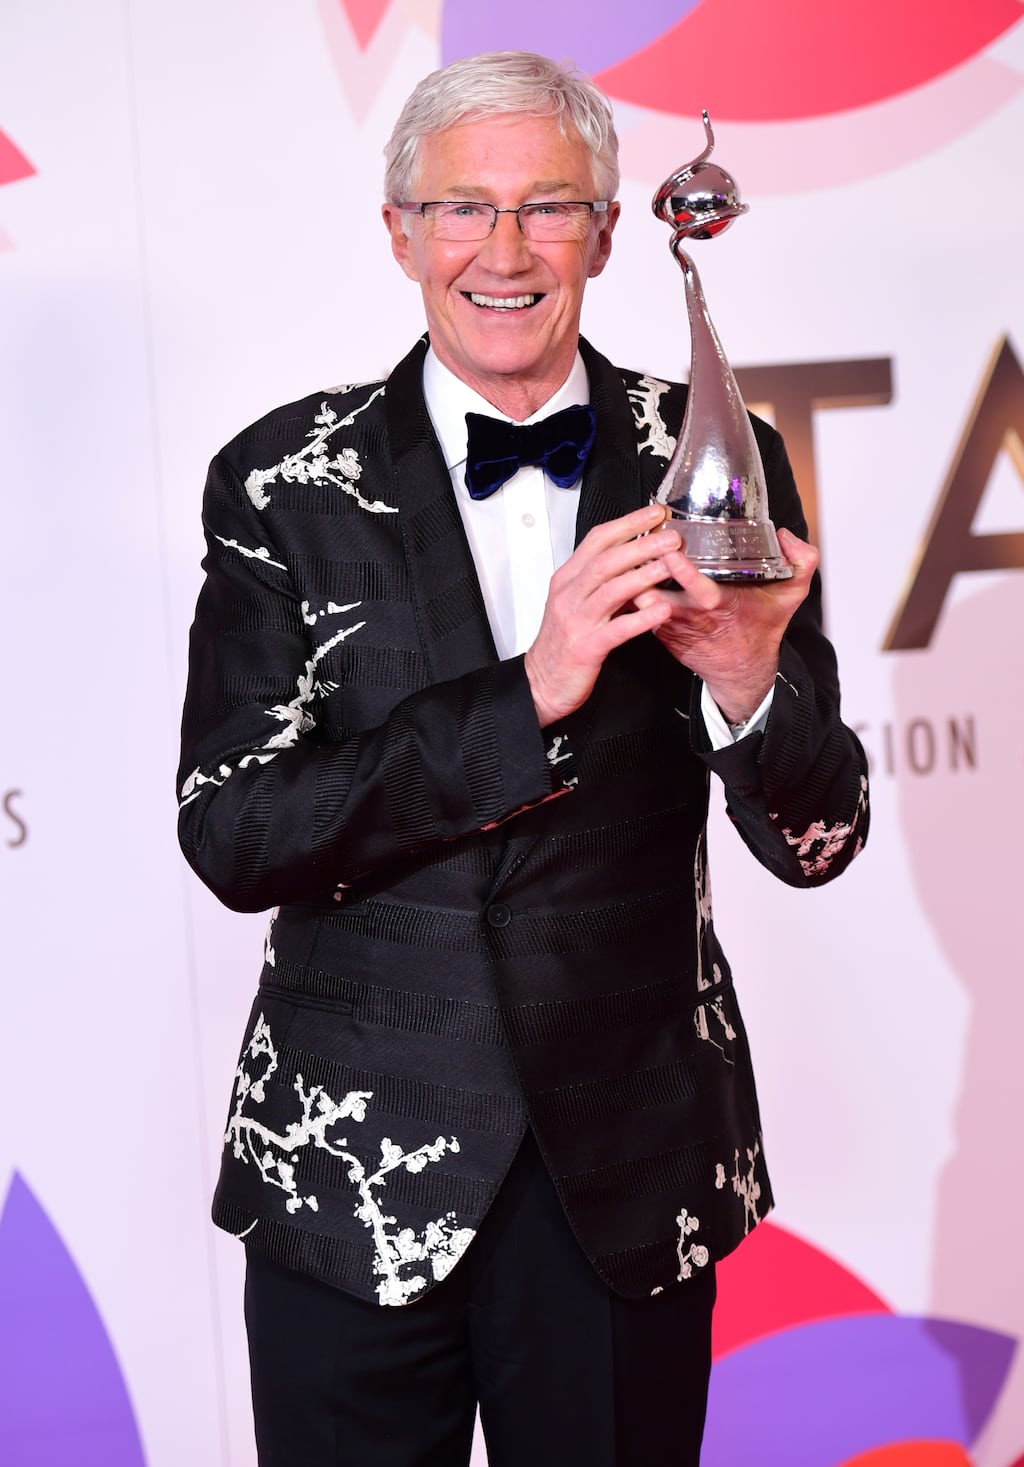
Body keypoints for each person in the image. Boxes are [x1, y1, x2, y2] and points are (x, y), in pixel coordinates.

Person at [177, 50, 869, 1467]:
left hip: (628, 1168)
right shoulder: (281, 481)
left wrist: (748, 681)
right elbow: (236, 834)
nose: (504, 252)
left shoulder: (712, 453)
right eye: (463, 208)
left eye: (549, 207)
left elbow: (822, 839)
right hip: (349, 1169)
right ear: (401, 233)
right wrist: (532, 693)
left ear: (606, 234)